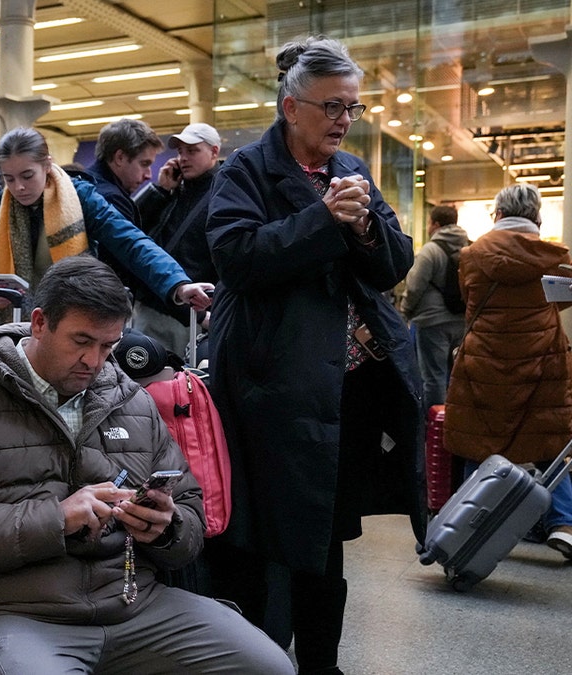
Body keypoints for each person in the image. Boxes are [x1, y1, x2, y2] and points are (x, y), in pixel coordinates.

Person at [0, 256, 294, 674]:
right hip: (13, 612)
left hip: (135, 603)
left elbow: (190, 512)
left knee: (270, 667)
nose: (94, 360)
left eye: (108, 345)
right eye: (81, 341)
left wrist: (165, 528)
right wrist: (55, 518)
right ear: (39, 323)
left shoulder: (133, 402)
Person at [204, 36, 422, 674]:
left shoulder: (351, 169)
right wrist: (324, 221)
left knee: (325, 537)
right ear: (290, 106)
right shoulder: (245, 170)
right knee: (266, 533)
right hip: (273, 386)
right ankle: (258, 659)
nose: (342, 121)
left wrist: (365, 228)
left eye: (352, 108)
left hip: (345, 390)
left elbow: (394, 266)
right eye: (331, 107)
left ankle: (323, 664)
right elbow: (237, 258)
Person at [0, 127, 213, 314]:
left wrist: (178, 283)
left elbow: (131, 242)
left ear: (47, 165)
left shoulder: (81, 197)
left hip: (79, 317)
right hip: (13, 333)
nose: (18, 187)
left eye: (27, 175)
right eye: (9, 178)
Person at [444, 184, 572, 559]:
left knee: (476, 443)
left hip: (484, 358)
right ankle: (563, 524)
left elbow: (469, 300)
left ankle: (467, 526)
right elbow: (560, 301)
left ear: (497, 215)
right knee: (548, 445)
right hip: (542, 358)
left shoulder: (471, 255)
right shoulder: (555, 257)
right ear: (536, 216)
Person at [132, 122, 224, 356]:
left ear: (214, 152)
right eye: (180, 152)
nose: (183, 158)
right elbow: (133, 225)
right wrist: (160, 191)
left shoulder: (223, 193)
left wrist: (203, 314)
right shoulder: (175, 188)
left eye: (192, 151)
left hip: (188, 313)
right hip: (153, 304)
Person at [400, 205, 470, 411]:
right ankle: (454, 419)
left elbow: (414, 286)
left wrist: (405, 311)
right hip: (461, 319)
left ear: (436, 225)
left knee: (433, 376)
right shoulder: (469, 247)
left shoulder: (431, 250)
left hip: (432, 322)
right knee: (457, 374)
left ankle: (434, 425)